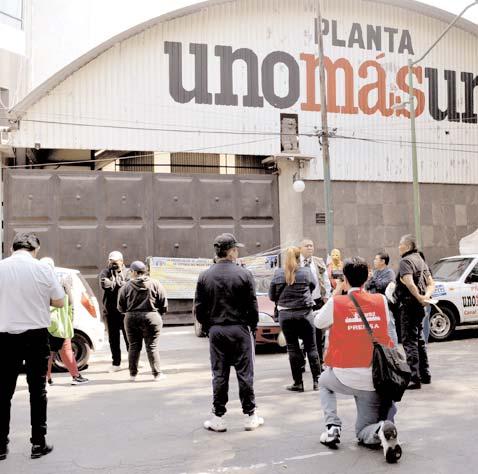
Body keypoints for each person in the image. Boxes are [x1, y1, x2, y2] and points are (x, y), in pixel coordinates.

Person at [314, 257, 401, 464]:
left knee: (323, 382)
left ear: (344, 279)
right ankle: (380, 429)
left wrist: (337, 292)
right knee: (363, 431)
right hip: (375, 378)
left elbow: (318, 322)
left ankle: (332, 427)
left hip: (343, 376)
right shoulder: (380, 300)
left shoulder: (337, 302)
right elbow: (390, 332)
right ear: (367, 278)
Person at [0, 233, 65, 461]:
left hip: (4, 337)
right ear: (35, 250)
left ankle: (0, 445)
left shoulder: (1, 267)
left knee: (2, 392)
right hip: (36, 336)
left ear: (12, 248)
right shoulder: (43, 269)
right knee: (37, 391)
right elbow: (60, 301)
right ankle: (38, 443)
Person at [195, 233, 263, 432]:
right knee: (245, 373)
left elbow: (199, 308)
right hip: (239, 328)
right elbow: (253, 305)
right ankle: (250, 415)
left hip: (217, 329)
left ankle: (218, 416)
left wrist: (208, 328)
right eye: (236, 249)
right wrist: (252, 326)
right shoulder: (244, 274)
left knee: (219, 374)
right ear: (231, 251)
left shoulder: (205, 276)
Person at [269, 247, 321, 392]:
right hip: (304, 313)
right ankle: (317, 382)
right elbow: (313, 287)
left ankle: (298, 383)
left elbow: (272, 296)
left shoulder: (278, 273)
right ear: (299, 258)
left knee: (292, 348)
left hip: (285, 315)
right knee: (311, 347)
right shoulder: (306, 272)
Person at [40, 258, 89, 386]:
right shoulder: (61, 281)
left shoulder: (37, 283)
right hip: (61, 323)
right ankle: (76, 376)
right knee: (66, 350)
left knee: (48, 353)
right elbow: (70, 304)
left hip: (44, 323)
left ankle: (46, 379)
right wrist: (70, 320)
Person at [117, 261, 168, 382]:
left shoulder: (126, 287)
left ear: (133, 272)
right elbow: (164, 304)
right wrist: (158, 313)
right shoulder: (155, 283)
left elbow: (120, 307)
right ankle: (157, 374)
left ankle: (133, 375)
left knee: (133, 346)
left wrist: (129, 312)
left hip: (131, 318)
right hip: (151, 316)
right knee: (152, 346)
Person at [395, 235, 435, 389]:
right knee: (419, 339)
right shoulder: (420, 259)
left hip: (409, 305)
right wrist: (426, 297)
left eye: (400, 244)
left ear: (406, 246)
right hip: (420, 306)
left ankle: (414, 377)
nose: (398, 247)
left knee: (409, 341)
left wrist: (419, 297)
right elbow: (431, 283)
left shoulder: (405, 261)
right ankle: (425, 374)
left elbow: (410, 283)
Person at [299, 238, 331, 368]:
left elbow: (325, 280)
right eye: (306, 246)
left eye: (311, 246)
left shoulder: (318, 261)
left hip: (317, 301)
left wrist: (326, 296)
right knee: (303, 333)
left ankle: (319, 361)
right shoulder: (295, 262)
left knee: (318, 332)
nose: (309, 248)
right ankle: (301, 361)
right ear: (300, 248)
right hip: (301, 303)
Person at [99, 251, 130, 372]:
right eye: (111, 261)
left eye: (115, 262)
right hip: (111, 311)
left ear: (122, 261)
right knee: (113, 338)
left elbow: (128, 287)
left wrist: (115, 282)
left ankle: (133, 360)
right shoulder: (105, 272)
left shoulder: (128, 272)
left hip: (125, 311)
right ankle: (116, 363)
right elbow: (105, 285)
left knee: (129, 337)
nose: (113, 264)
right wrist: (119, 283)